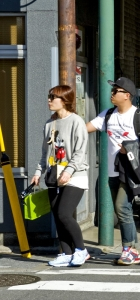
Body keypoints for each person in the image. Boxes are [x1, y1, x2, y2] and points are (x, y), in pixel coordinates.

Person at [87, 77, 140, 265]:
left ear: (127, 95)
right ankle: (132, 250)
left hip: (130, 170)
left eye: (115, 91)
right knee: (123, 210)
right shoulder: (108, 115)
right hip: (111, 170)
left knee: (122, 208)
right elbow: (87, 128)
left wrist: (133, 146)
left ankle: (128, 249)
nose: (111, 94)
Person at [32, 85, 90, 267]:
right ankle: (66, 252)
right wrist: (38, 172)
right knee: (57, 215)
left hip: (76, 175)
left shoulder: (76, 121)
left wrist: (69, 171)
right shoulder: (50, 123)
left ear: (64, 100)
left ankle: (81, 250)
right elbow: (45, 153)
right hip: (54, 175)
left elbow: (81, 152)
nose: (49, 100)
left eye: (53, 97)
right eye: (49, 97)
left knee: (64, 213)